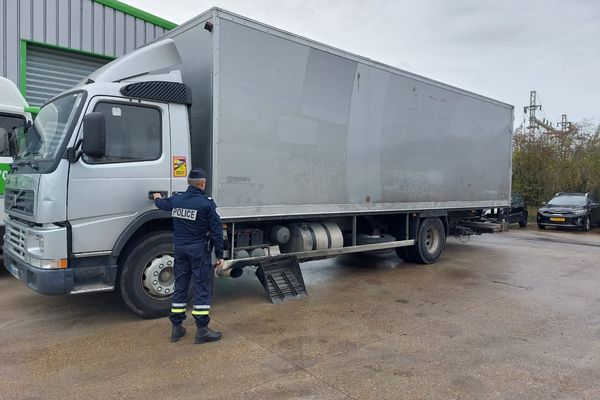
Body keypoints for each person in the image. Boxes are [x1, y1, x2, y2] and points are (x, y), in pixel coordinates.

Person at [153, 169, 224, 344]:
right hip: (198, 250)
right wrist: (220, 255)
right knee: (201, 286)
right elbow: (216, 232)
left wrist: (156, 197)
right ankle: (202, 331)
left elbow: (162, 205)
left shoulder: (177, 200)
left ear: (188, 182)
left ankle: (176, 328)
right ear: (202, 183)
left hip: (180, 250)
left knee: (181, 286)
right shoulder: (206, 204)